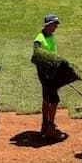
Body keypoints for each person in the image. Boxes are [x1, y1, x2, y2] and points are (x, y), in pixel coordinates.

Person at [33, 13, 67, 141]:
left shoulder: (51, 36)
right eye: (54, 25)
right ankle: (50, 128)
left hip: (52, 73)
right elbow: (36, 57)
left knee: (47, 99)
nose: (56, 27)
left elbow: (53, 54)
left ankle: (45, 125)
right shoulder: (39, 39)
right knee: (54, 100)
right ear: (48, 25)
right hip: (46, 74)